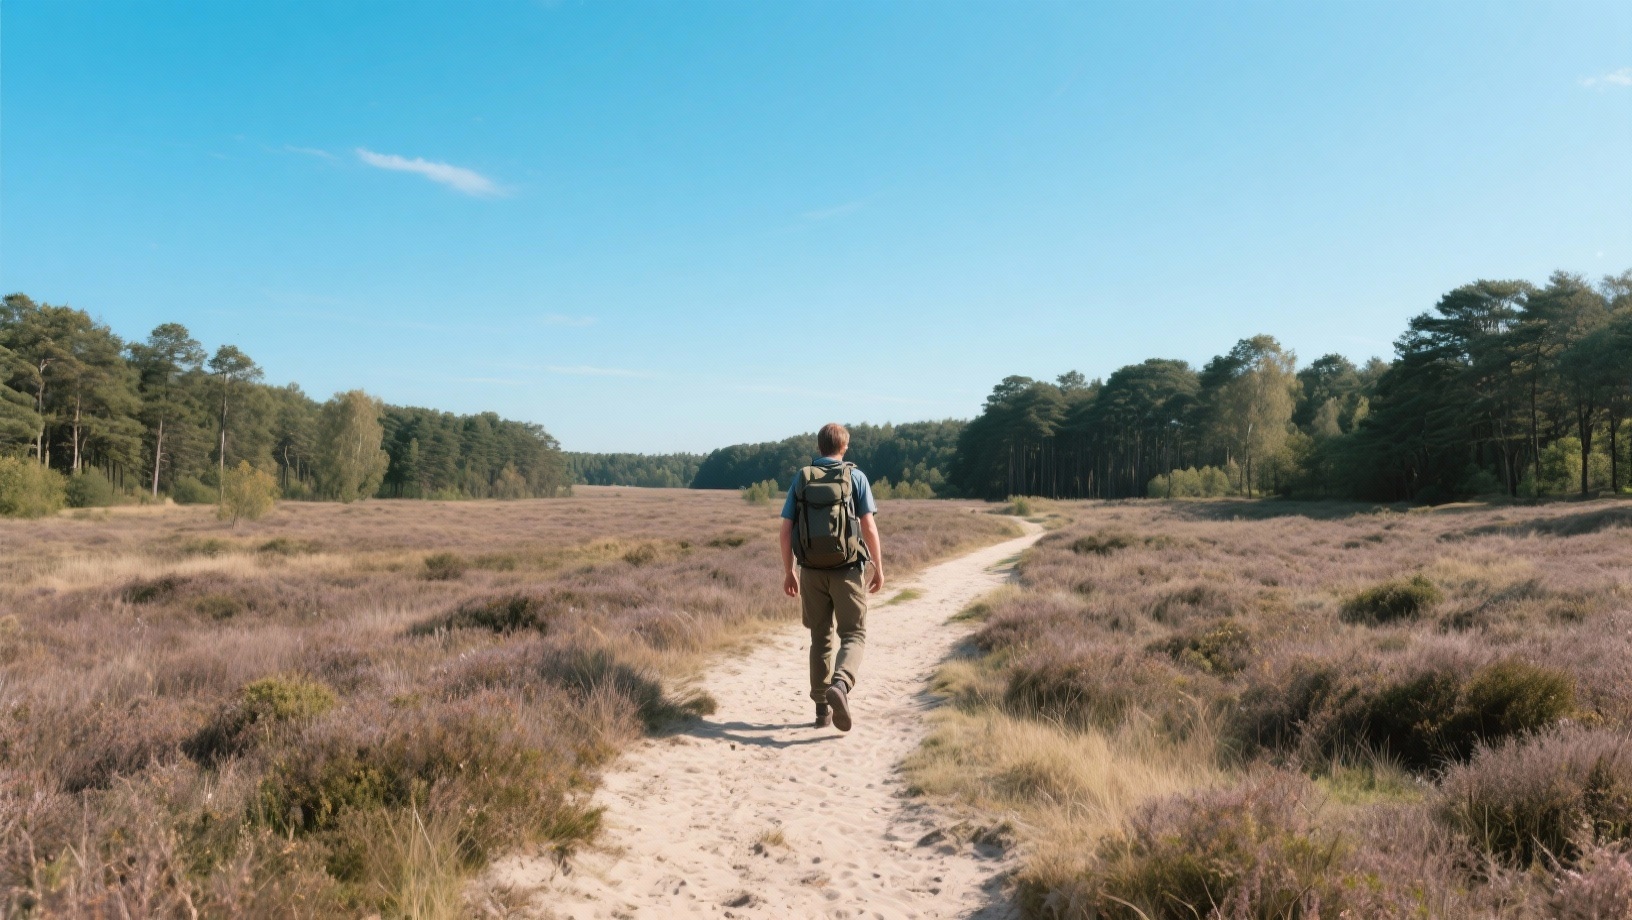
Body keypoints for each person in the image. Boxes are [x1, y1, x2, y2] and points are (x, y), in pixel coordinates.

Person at [780, 422, 884, 732]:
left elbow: (785, 530)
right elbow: (868, 526)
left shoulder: (803, 477)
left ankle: (822, 711)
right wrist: (879, 565)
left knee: (820, 638)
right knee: (853, 634)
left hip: (811, 572)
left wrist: (789, 571)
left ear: (819, 447)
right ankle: (841, 683)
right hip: (848, 569)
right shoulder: (856, 477)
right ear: (844, 447)